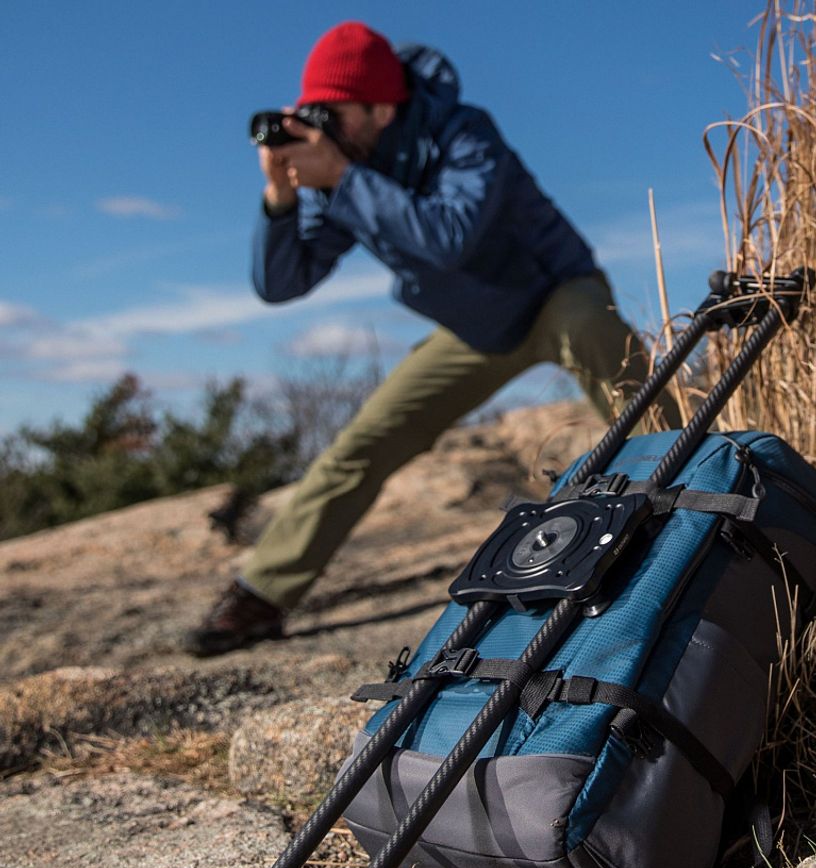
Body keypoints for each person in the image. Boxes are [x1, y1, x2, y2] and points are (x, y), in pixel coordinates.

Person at [183, 21, 679, 656]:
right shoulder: (347, 165)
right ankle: (263, 593)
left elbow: (451, 236)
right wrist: (280, 198)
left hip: (554, 292)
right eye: (314, 113)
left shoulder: (462, 132)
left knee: (603, 342)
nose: (324, 128)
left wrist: (343, 178)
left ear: (382, 108)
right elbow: (281, 284)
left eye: (335, 112)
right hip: (478, 327)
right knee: (366, 441)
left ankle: (695, 497)